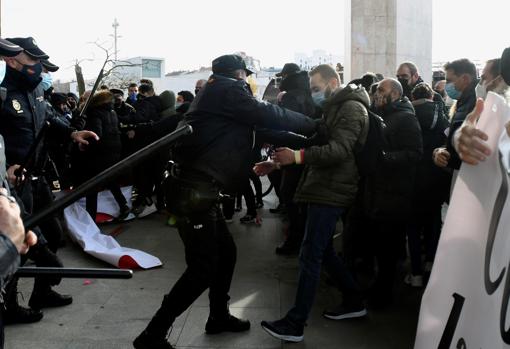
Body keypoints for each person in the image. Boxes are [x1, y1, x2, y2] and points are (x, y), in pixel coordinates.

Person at [133, 54, 318, 349]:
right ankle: (152, 334)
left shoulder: (220, 97)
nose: (248, 81)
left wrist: (308, 139)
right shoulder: (227, 90)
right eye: (247, 75)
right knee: (202, 267)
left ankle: (218, 316)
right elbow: (268, 114)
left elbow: (260, 131)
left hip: (201, 190)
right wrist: (314, 125)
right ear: (239, 73)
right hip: (194, 191)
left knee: (226, 253)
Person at [260, 65, 369, 342]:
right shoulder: (336, 107)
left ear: (334, 82)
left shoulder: (352, 109)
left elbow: (339, 150)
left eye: (317, 89)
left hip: (333, 188)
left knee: (310, 254)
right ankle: (354, 300)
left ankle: (296, 323)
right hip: (324, 185)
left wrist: (296, 157)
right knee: (323, 251)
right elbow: (312, 140)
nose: (314, 95)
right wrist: (277, 160)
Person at [0, 37, 97, 322]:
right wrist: (3, 168)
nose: (39, 69)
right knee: (20, 242)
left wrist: (71, 133)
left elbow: (50, 118)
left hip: (39, 177)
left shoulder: (35, 93)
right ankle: (8, 306)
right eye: (34, 63)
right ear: (12, 61)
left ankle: (41, 292)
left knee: (54, 236)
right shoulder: (3, 94)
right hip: (13, 185)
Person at [365, 78, 423, 305]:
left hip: (395, 193)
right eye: (377, 90)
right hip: (378, 191)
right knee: (380, 245)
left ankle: (384, 294)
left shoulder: (406, 118)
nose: (377, 93)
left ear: (396, 94)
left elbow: (415, 153)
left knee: (388, 247)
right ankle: (379, 286)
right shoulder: (381, 114)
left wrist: (385, 158)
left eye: (382, 90)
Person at [433, 59, 478, 179]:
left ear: (465, 79)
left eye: (449, 80)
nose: (447, 85)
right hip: (457, 173)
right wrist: (441, 151)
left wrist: (449, 157)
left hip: (467, 175)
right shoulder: (462, 103)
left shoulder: (475, 104)